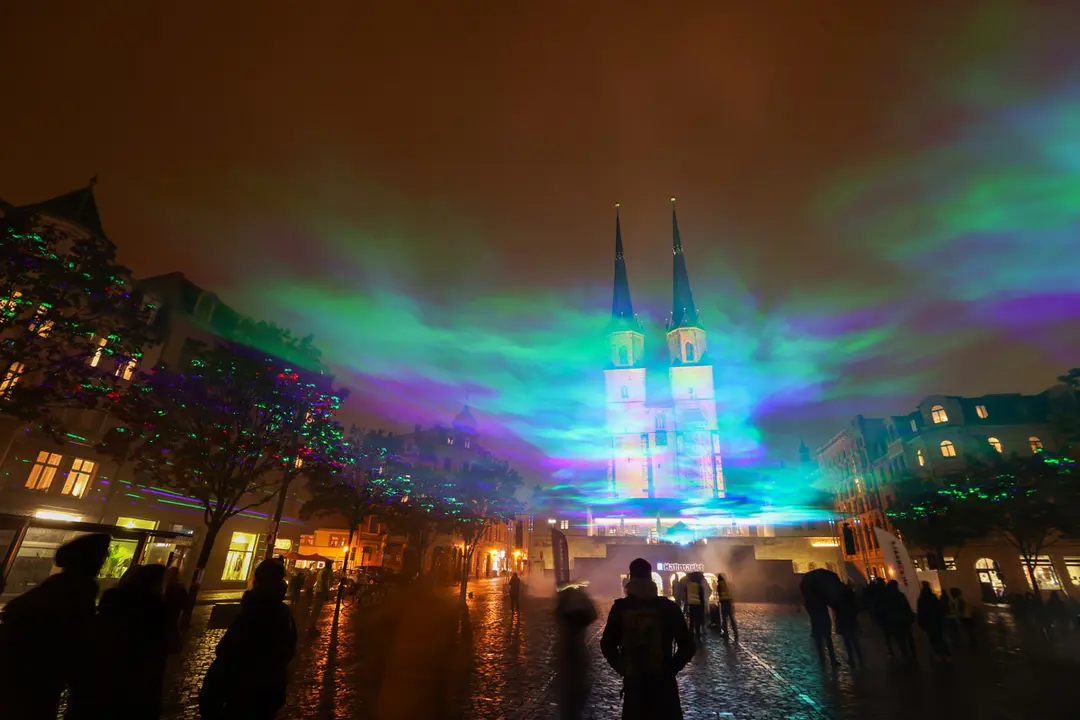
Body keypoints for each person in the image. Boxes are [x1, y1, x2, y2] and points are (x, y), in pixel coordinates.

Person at [0, 532, 111, 720]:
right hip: (37, 675)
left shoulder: (58, 586)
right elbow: (75, 639)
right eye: (102, 556)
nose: (103, 562)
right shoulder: (77, 590)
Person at [68, 563, 176, 719]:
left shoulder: (111, 601)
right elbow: (166, 646)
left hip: (96, 685)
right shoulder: (154, 610)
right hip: (135, 688)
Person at [199, 559, 298, 720]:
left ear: (257, 580)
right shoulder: (282, 612)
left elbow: (228, 652)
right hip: (267, 691)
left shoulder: (253, 608)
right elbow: (288, 650)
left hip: (241, 692)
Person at [600, 558, 695, 720]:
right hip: (664, 687)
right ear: (651, 578)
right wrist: (670, 670)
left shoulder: (621, 608)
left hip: (634, 686)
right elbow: (688, 646)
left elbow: (607, 644)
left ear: (630, 578)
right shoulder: (668, 607)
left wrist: (624, 669)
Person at [555, 582, 598, 720]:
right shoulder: (579, 613)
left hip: (568, 655)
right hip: (576, 655)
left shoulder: (565, 611)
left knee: (568, 697)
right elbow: (592, 614)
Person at [883, 580, 917, 662]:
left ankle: (905, 654)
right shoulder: (900, 595)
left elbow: (886, 611)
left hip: (895, 622)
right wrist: (910, 617)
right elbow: (906, 607)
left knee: (900, 640)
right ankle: (913, 653)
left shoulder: (887, 598)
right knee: (909, 637)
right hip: (904, 620)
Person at [917, 582, 950, 662]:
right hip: (937, 621)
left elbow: (920, 613)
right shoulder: (934, 598)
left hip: (929, 623)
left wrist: (922, 624)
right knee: (941, 638)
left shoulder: (921, 600)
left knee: (933, 640)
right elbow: (940, 609)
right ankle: (946, 655)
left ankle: (937, 655)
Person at [804, 591, 839, 667]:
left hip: (817, 622)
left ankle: (823, 659)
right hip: (823, 621)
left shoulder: (809, 599)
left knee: (820, 642)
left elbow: (808, 607)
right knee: (827, 641)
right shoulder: (822, 596)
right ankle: (831, 659)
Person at [834, 583, 863, 667]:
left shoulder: (839, 599)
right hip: (852, 621)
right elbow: (856, 610)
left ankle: (852, 659)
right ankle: (860, 658)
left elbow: (837, 610)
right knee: (855, 641)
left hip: (844, 622)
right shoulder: (851, 598)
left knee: (847, 642)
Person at [715, 573, 738, 641]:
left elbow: (719, 594)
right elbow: (734, 590)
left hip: (724, 603)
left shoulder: (719, 585)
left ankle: (726, 634)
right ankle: (736, 634)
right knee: (732, 618)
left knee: (724, 619)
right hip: (730, 602)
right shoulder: (728, 583)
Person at [684, 571, 707, 639]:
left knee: (692, 620)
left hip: (691, 605)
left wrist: (686, 605)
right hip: (698, 605)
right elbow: (701, 597)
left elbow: (686, 596)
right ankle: (698, 633)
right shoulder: (699, 586)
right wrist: (703, 607)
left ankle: (691, 633)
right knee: (698, 620)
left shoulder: (688, 585)